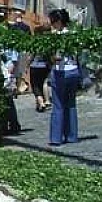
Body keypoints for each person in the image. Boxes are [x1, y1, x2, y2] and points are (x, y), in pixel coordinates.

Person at [48, 9, 80, 146]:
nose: (51, 24)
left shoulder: (56, 36)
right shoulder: (74, 35)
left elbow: (55, 57)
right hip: (73, 71)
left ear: (59, 22)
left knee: (58, 105)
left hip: (60, 72)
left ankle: (56, 138)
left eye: (53, 22)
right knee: (71, 104)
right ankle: (71, 135)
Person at [29, 25, 52, 112]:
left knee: (35, 85)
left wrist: (27, 65)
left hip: (35, 66)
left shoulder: (34, 43)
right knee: (44, 83)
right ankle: (47, 100)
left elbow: (31, 55)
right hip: (45, 66)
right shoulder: (47, 42)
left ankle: (41, 102)